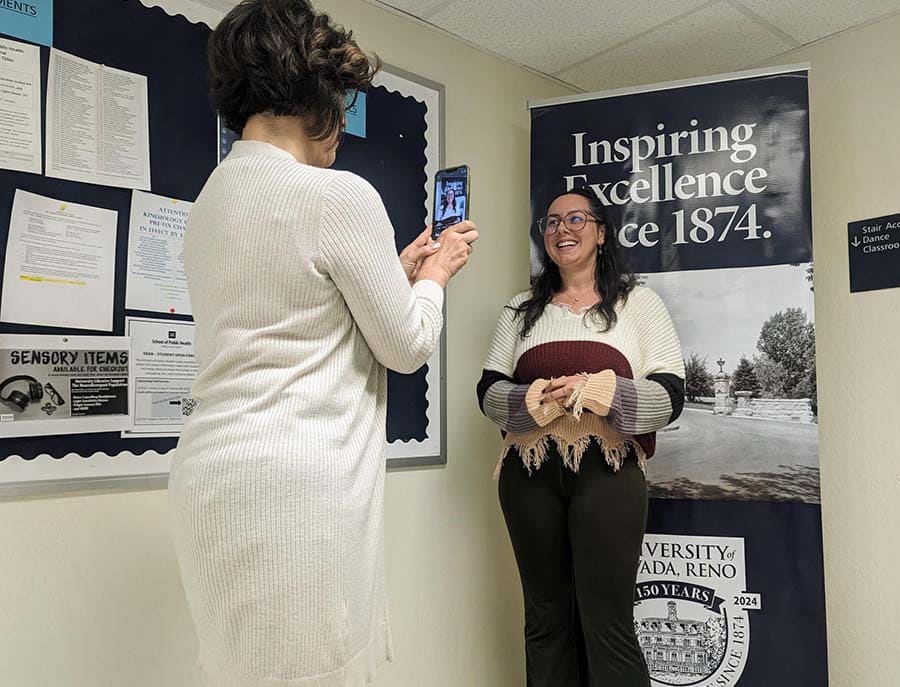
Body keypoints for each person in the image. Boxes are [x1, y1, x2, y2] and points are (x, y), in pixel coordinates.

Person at [168, 1, 478, 685]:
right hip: (296, 485)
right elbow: (405, 344)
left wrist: (392, 273)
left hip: (210, 481)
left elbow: (293, 314)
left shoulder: (210, 205)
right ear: (310, 95)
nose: (342, 123)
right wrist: (435, 276)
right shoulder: (338, 196)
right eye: (337, 100)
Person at [476, 188, 684, 686]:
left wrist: (596, 391)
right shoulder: (520, 308)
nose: (561, 230)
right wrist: (535, 400)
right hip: (527, 477)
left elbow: (670, 396)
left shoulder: (640, 303)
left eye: (575, 219)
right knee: (545, 619)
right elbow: (488, 391)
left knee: (607, 621)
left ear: (601, 231)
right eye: (550, 223)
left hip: (607, 473)